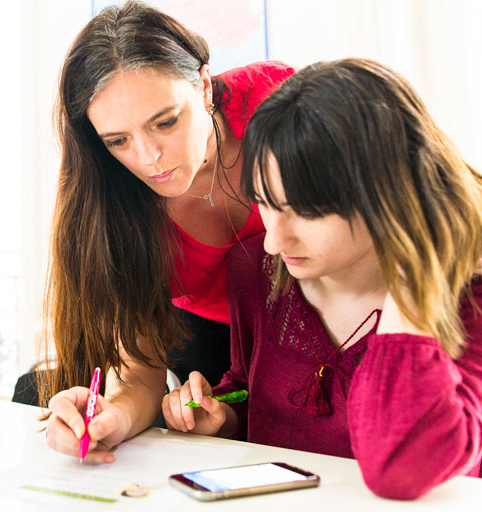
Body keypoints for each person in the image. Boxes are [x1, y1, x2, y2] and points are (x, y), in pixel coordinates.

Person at [161, 58, 482, 499]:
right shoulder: (254, 268)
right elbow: (251, 389)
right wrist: (225, 415)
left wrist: (412, 280)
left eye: (305, 212)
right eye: (264, 202)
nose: (273, 241)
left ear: (388, 197)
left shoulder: (471, 295)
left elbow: (399, 467)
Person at [43, 0, 294, 462]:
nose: (149, 157)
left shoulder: (277, 101)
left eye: (165, 121)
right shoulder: (114, 200)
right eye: (118, 141)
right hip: (210, 342)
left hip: (318, 322)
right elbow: (140, 373)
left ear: (202, 85)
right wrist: (113, 419)